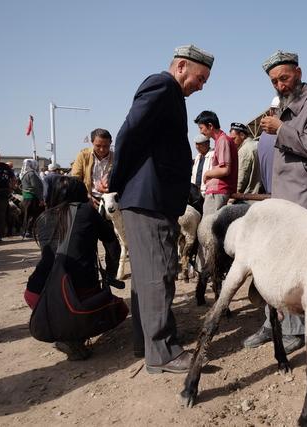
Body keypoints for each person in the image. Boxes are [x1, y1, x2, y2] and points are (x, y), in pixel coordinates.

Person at [108, 43, 213, 374]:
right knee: (158, 274)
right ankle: (163, 353)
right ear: (181, 66)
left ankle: (147, 343)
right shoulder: (162, 85)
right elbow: (129, 133)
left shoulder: (171, 95)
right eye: (200, 77)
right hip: (149, 198)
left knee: (145, 275)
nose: (201, 85)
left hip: (149, 198)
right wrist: (116, 180)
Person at [243, 50, 307, 354]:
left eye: (284, 77)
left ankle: (296, 330)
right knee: (271, 262)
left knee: (294, 265)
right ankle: (272, 323)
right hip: (280, 194)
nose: (280, 85)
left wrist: (281, 129)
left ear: (298, 72)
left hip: (303, 194)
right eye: (274, 81)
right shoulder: (281, 105)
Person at [25, 176, 127, 360]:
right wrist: (110, 276)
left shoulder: (43, 218)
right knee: (119, 309)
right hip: (76, 293)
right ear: (81, 194)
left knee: (64, 307)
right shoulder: (87, 211)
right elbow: (113, 245)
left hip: (35, 293)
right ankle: (73, 337)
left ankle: (64, 331)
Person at [70, 128, 123, 287]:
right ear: (92, 143)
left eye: (106, 146)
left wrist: (110, 189)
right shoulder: (83, 155)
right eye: (98, 145)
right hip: (89, 205)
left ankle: (110, 277)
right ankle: (90, 281)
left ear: (110, 144)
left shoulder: (117, 157)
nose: (102, 149)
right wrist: (87, 197)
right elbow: (75, 180)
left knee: (114, 248)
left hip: (110, 206)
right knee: (87, 247)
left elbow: (123, 179)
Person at [194, 111, 238, 215]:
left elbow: (225, 169)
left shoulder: (223, 140)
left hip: (218, 191)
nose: (201, 132)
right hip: (217, 191)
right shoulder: (220, 140)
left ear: (210, 126)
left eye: (201, 128)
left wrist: (207, 174)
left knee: (208, 227)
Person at [230, 122, 261, 195]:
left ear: (242, 135)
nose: (232, 142)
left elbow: (241, 177)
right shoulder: (257, 144)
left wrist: (233, 197)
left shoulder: (244, 150)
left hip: (248, 197)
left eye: (234, 138)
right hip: (260, 194)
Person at [257, 97, 280, 193]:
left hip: (268, 191)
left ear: (271, 111)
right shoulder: (284, 132)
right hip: (284, 193)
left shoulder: (263, 135)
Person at [20, 159, 44, 238]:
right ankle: (28, 231)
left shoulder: (24, 173)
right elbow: (36, 187)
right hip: (33, 197)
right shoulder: (32, 174)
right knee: (33, 215)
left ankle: (25, 231)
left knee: (27, 215)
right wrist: (41, 198)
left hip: (26, 197)